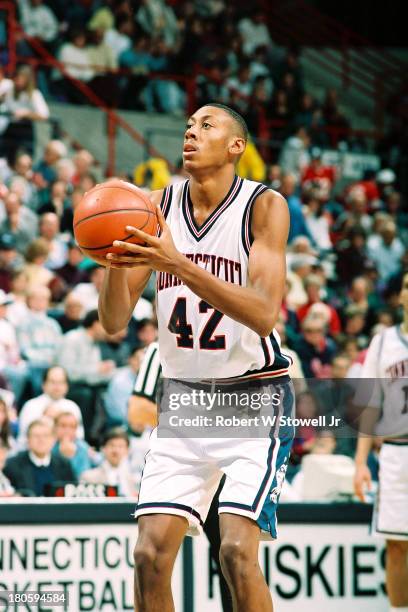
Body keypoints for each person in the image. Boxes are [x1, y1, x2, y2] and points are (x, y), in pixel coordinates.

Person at [99, 103, 294, 611]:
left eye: (207, 126)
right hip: (184, 401)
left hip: (254, 396)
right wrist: (113, 261)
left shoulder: (263, 206)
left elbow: (264, 313)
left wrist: (177, 263)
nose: (191, 132)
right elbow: (115, 320)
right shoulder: (156, 206)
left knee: (234, 552)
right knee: (149, 556)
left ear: (236, 146)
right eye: (188, 126)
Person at [129, 341, 233, 611]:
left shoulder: (230, 349)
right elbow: (137, 410)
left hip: (224, 466)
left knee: (232, 558)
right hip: (181, 464)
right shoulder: (158, 349)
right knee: (148, 556)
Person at [354, 271, 408, 612]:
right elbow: (369, 404)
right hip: (397, 452)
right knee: (397, 545)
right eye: (406, 285)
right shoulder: (384, 340)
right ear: (400, 296)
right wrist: (360, 462)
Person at [3, 417, 76, 496]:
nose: (41, 440)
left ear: (53, 439)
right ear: (28, 439)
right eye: (36, 436)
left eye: (46, 436)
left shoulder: (64, 464)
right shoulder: (12, 465)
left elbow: (72, 494)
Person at [18, 365, 84, 448]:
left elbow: (80, 437)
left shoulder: (73, 407)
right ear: (43, 384)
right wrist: (44, 417)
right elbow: (24, 437)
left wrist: (61, 419)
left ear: (67, 386)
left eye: (61, 382)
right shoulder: (31, 405)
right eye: (52, 382)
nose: (57, 386)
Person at [80, 427, 138, 497]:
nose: (115, 450)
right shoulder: (88, 478)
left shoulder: (134, 480)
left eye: (120, 446)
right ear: (103, 448)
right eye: (112, 445)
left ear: (127, 451)